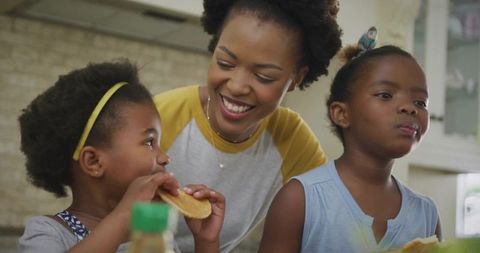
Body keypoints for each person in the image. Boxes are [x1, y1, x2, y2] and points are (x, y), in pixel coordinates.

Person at [153, 0, 342, 251]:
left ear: (297, 78)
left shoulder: (292, 140)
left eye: (263, 77)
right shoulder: (160, 117)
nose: (237, 86)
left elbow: (337, 225)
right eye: (225, 63)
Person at [17, 60, 225, 253]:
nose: (164, 158)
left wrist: (206, 242)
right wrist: (124, 216)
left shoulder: (154, 235)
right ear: (94, 162)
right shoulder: (48, 233)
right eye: (149, 142)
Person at [258, 41, 442, 253]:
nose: (410, 108)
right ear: (342, 114)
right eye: (385, 95)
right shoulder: (299, 199)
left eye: (420, 102)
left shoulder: (426, 214)